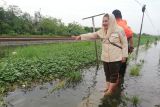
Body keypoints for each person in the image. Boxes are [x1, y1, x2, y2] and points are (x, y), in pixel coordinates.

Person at [72, 14, 128, 95]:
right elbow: (92, 35)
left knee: (114, 74)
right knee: (107, 74)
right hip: (105, 57)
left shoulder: (119, 30)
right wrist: (80, 36)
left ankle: (110, 90)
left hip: (115, 57)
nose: (104, 23)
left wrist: (124, 56)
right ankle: (107, 87)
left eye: (106, 21)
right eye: (103, 21)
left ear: (111, 21)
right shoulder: (102, 31)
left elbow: (125, 43)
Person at [112, 9, 134, 79]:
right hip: (124, 49)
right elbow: (130, 37)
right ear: (120, 16)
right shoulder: (125, 25)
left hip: (114, 50)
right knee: (122, 66)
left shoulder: (112, 25)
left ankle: (114, 82)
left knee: (114, 67)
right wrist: (131, 48)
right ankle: (121, 80)